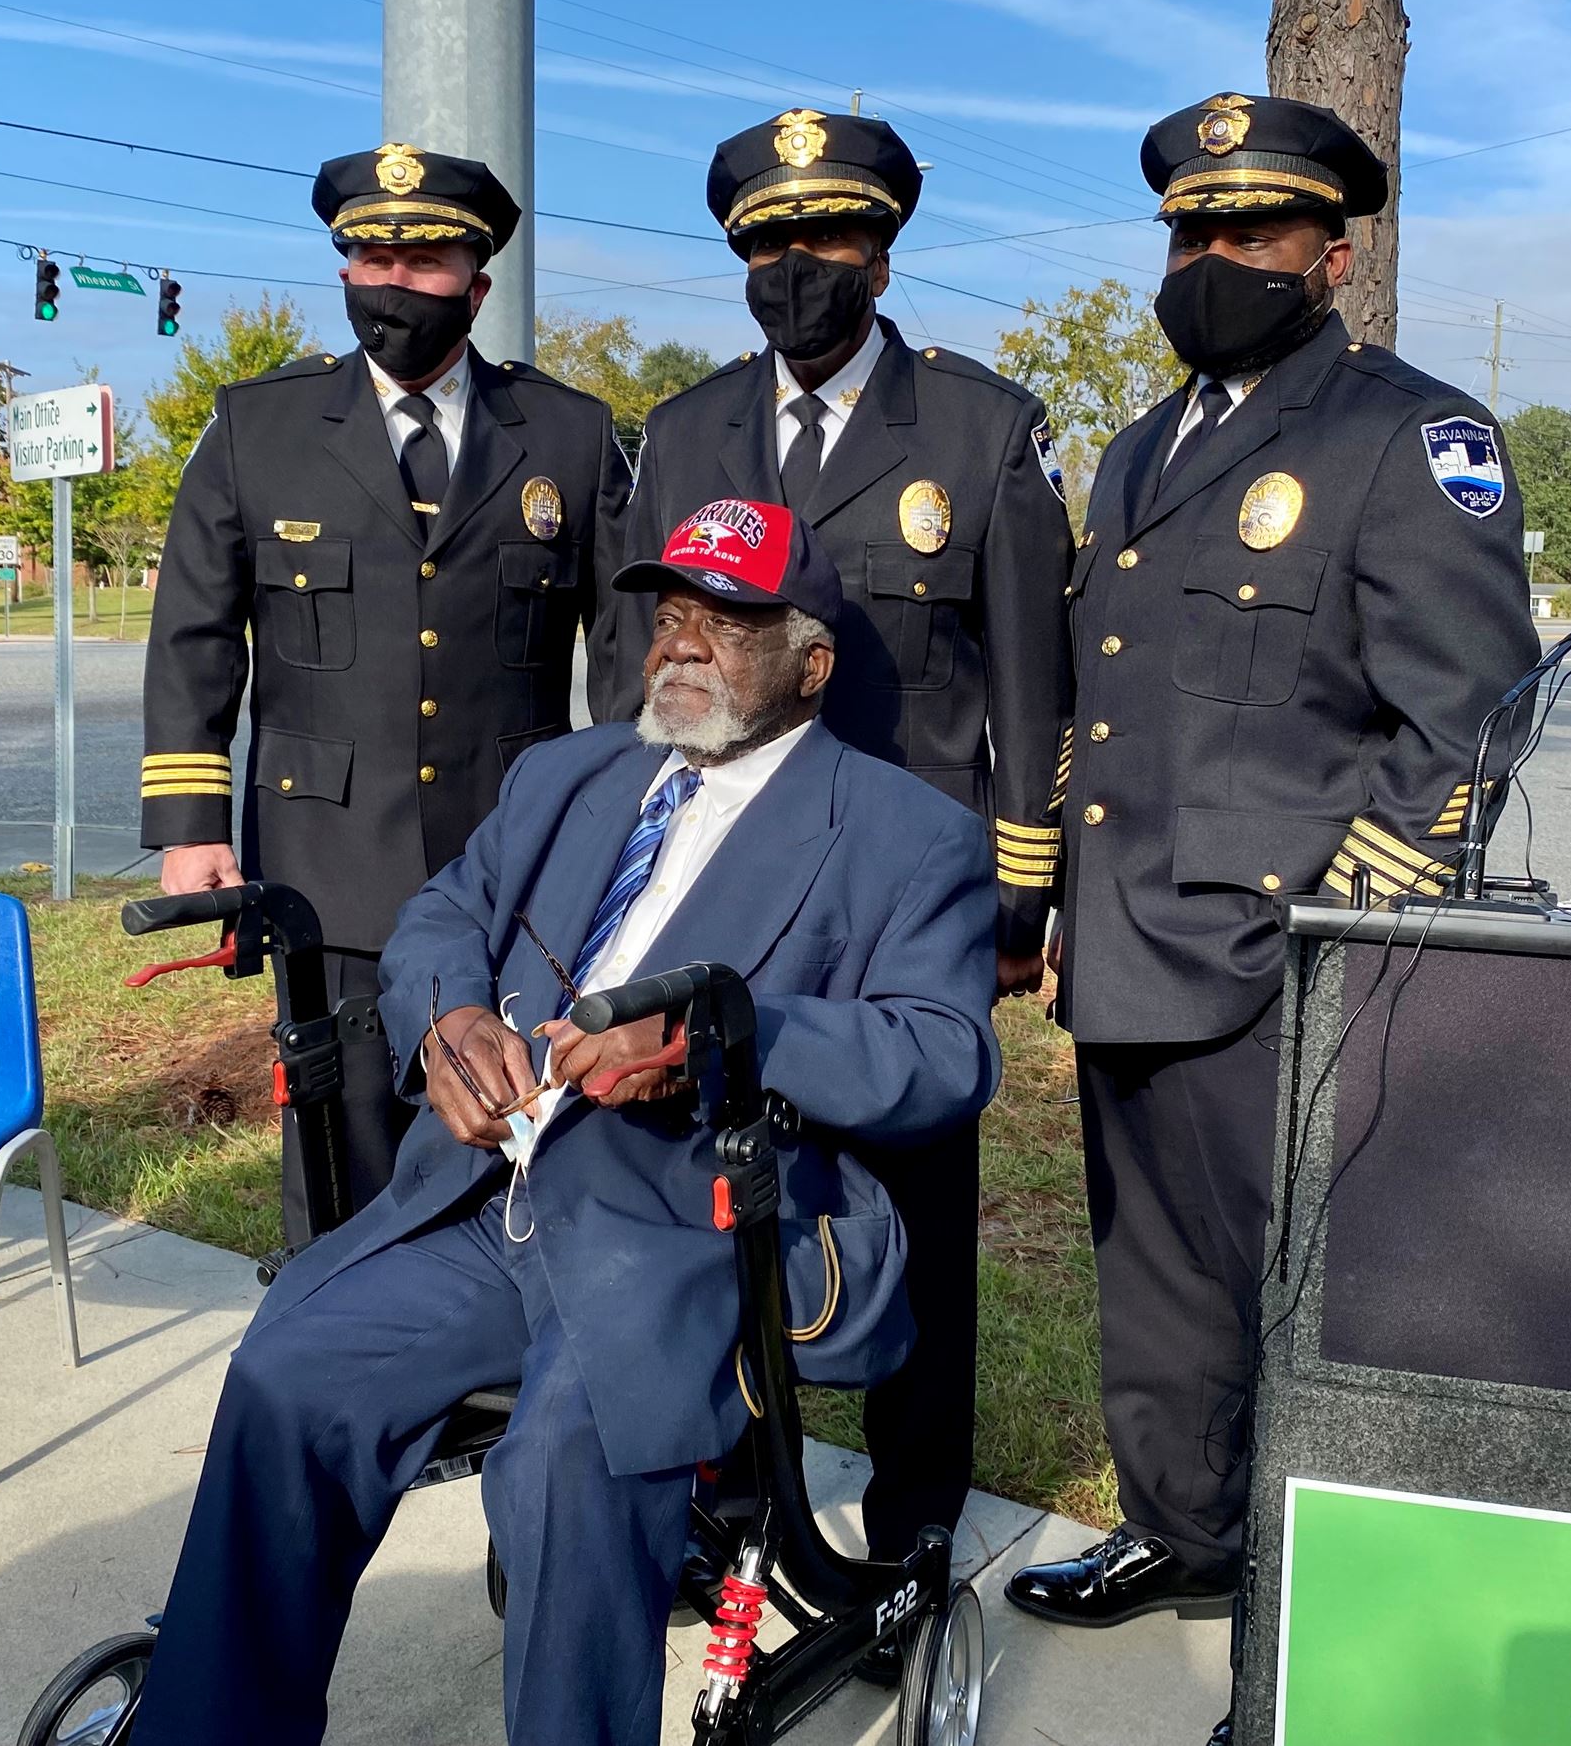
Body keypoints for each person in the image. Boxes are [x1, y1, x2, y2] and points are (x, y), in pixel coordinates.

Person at [127, 498, 1000, 1745]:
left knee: (563, 1471)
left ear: (811, 666)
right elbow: (445, 912)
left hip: (691, 1236)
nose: (681, 645)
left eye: (728, 624)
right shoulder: (568, 772)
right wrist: (447, 1020)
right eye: (671, 615)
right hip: (490, 1199)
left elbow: (944, 1051)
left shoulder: (906, 835)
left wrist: (717, 1035)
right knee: (289, 1373)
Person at [1004, 96, 1540, 1661]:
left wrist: (1342, 922)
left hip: (1285, 958)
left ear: (1334, 253)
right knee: (1153, 1272)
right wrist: (1056, 907)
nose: (1214, 256)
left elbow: (1466, 711)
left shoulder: (1406, 433)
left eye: (1252, 228)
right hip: (1132, 941)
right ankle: (1186, 1532)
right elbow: (1108, 701)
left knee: (1297, 1299)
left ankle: (1313, 1621)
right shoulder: (1134, 450)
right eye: (1191, 229)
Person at [592, 107, 1073, 1575]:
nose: (801, 265)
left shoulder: (982, 431)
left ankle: (916, 1514)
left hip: (904, 892)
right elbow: (647, 680)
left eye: (831, 236)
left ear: (884, 248)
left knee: (914, 1186)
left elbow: (1032, 680)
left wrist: (1022, 892)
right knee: (715, 1187)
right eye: (770, 243)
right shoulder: (681, 435)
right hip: (725, 878)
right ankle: (722, 1493)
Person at [141, 143, 625, 1240]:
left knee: (515, 1142)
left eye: (426, 261)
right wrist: (188, 825)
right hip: (327, 864)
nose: (395, 282)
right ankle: (331, 1367)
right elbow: (194, 635)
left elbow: (630, 649)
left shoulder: (568, 434)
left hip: (515, 862)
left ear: (477, 284)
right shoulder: (257, 428)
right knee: (337, 1141)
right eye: (370, 258)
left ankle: (488, 1386)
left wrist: (628, 832)